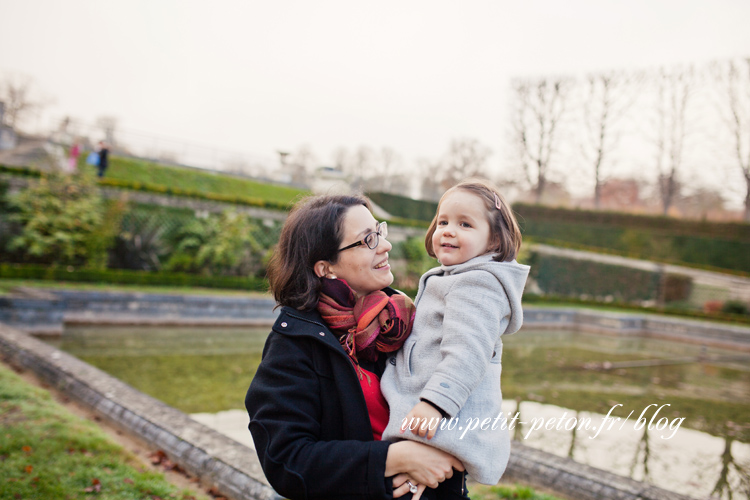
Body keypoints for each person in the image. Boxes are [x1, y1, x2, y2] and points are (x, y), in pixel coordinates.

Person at [245, 194, 463, 500]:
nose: (385, 246)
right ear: (325, 268)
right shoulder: (294, 344)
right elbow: (286, 460)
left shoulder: (401, 321)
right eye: (368, 240)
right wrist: (395, 459)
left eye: (380, 232)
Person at [380, 178, 530, 497]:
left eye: (465, 224)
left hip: (440, 418)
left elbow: (467, 355)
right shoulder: (458, 279)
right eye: (443, 221)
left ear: (493, 242)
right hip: (434, 427)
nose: (448, 230)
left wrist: (435, 404)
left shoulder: (476, 286)